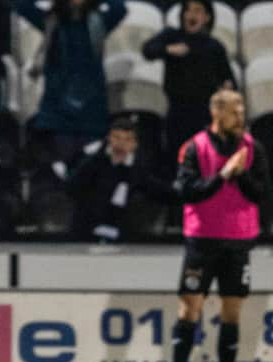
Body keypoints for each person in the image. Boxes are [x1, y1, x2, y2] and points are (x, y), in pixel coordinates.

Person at [172, 89, 270, 362]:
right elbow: (187, 191)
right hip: (202, 240)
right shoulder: (195, 147)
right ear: (217, 113)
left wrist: (241, 174)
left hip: (239, 241)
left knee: (233, 309)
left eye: (242, 110)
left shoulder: (253, 149)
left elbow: (261, 194)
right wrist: (223, 175)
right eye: (234, 111)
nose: (240, 116)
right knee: (190, 306)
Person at [14, 0, 127, 164]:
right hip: (58, 110)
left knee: (88, 169)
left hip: (92, 109)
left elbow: (119, 8)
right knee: (62, 169)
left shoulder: (98, 22)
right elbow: (21, 5)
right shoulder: (51, 21)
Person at [142, 0, 236, 178]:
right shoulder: (172, 35)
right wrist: (168, 49)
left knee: (204, 162)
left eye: (198, 11)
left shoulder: (214, 46)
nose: (191, 15)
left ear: (207, 17)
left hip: (204, 113)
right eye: (187, 10)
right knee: (176, 159)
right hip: (177, 110)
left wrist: (227, 89)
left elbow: (228, 78)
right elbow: (148, 50)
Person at [65, 117, 175, 242]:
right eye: (117, 138)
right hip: (86, 227)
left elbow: (158, 189)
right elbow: (71, 186)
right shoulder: (93, 160)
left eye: (127, 139)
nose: (121, 144)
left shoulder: (138, 167)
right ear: (109, 139)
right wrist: (97, 158)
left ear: (135, 144)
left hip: (122, 231)